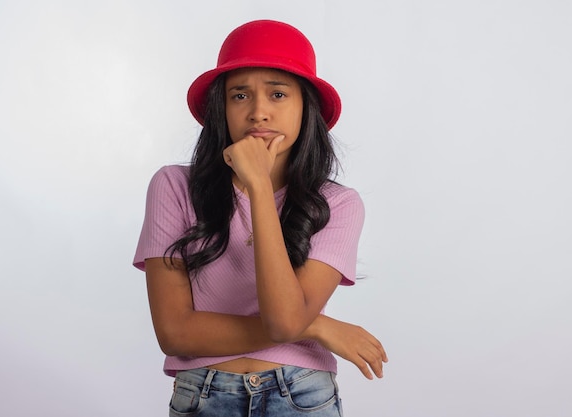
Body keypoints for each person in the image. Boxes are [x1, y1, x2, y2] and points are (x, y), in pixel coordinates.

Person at [133, 19, 387, 417]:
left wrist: (259, 189)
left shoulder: (338, 204)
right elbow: (175, 333)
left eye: (278, 93)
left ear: (307, 108)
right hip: (203, 395)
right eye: (239, 95)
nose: (258, 112)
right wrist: (318, 326)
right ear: (222, 108)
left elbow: (286, 320)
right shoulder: (173, 186)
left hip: (301, 396)